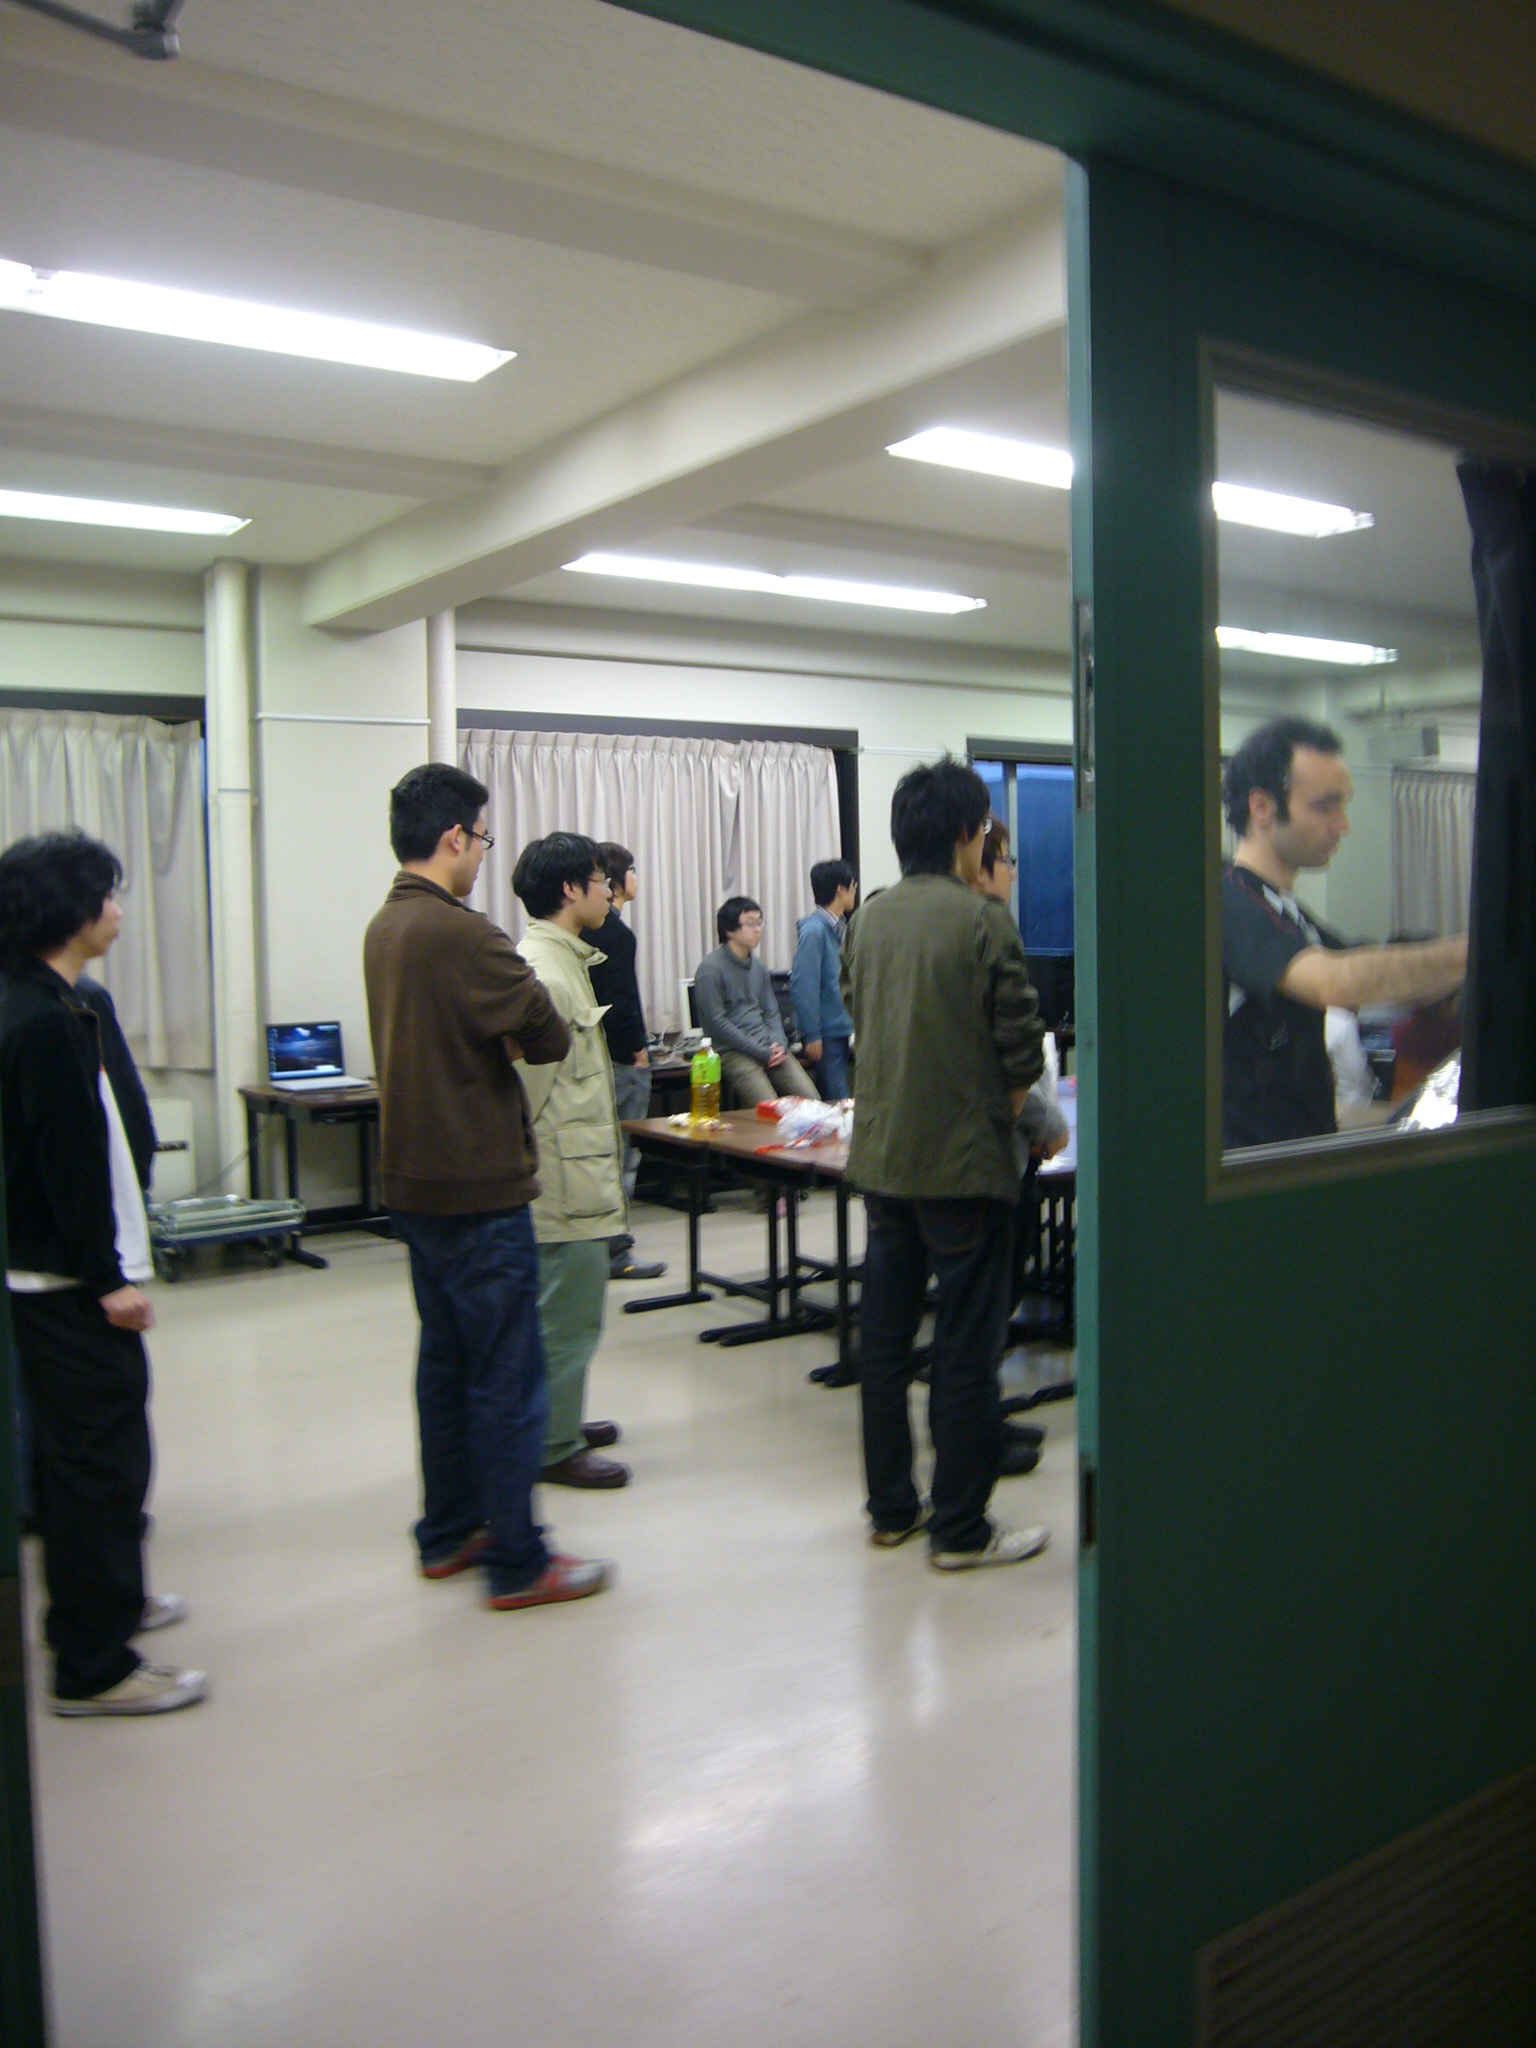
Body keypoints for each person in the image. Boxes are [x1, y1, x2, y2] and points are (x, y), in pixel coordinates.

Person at [364, 764, 610, 1611]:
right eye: (480, 838)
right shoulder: (465, 935)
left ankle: (448, 1532)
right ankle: (518, 1560)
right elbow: (547, 1033)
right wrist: (501, 1038)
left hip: (413, 1185)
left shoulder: (385, 926)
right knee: (507, 1376)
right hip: (479, 1187)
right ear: (453, 838)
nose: (481, 854)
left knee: (444, 1368)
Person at [0, 830, 204, 1715]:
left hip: (60, 1278)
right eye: (107, 896)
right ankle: (94, 1666)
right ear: (69, 910)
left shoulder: (49, 1001)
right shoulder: (42, 1020)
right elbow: (65, 1169)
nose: (118, 912)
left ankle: (104, 1607)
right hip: (68, 1285)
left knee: (86, 1463)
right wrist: (107, 1278)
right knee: (98, 1467)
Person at [840, 758, 1050, 1570]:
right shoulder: (982, 920)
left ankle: (892, 1510)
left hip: (883, 1163)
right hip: (963, 1171)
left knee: (885, 1345)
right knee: (965, 1349)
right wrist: (1007, 1119)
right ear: (969, 833)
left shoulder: (869, 919)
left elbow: (861, 1018)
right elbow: (1019, 1054)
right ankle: (961, 1529)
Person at [1222, 718, 1468, 1148]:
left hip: (1298, 1158)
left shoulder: (1288, 914)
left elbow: (1364, 972)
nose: (1343, 825)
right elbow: (1334, 981)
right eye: (1325, 806)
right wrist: (1476, 950)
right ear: (1261, 807)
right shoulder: (1227, 900)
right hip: (1252, 1170)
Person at [512, 833, 631, 1491]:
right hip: (561, 1181)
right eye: (600, 880)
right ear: (569, 889)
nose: (610, 890)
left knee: (563, 1315)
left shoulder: (563, 960)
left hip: (573, 1172)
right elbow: (522, 1096)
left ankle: (558, 1419)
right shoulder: (546, 973)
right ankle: (553, 1446)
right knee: (567, 1319)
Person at [971, 818, 1069, 1477]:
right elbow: (1006, 1055)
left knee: (987, 1296)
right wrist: (1041, 1121)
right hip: (992, 1148)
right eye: (1006, 861)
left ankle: (983, 1420)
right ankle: (976, 1433)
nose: (1011, 872)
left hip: (989, 1143)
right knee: (987, 1295)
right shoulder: (986, 930)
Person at [587, 841, 665, 1284]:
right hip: (621, 1058)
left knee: (601, 1157)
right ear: (615, 882)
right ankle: (617, 1250)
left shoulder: (584, 930)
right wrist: (639, 1050)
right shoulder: (617, 934)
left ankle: (600, 1246)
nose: (636, 878)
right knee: (624, 1156)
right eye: (632, 871)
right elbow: (623, 1001)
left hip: (595, 1056)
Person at [693, 896, 818, 1107]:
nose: (757, 929)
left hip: (769, 1046)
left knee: (812, 1100)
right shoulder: (710, 969)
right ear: (729, 930)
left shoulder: (758, 967)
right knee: (770, 1108)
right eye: (750, 923)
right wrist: (761, 1052)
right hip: (734, 1052)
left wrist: (779, 1044)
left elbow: (770, 1010)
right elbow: (717, 1022)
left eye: (760, 923)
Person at [789, 858, 858, 1101]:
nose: (854, 892)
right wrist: (812, 1034)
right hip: (826, 1032)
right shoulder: (814, 930)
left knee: (843, 1101)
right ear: (840, 889)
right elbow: (804, 985)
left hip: (841, 1027)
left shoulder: (840, 927)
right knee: (835, 1102)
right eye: (853, 886)